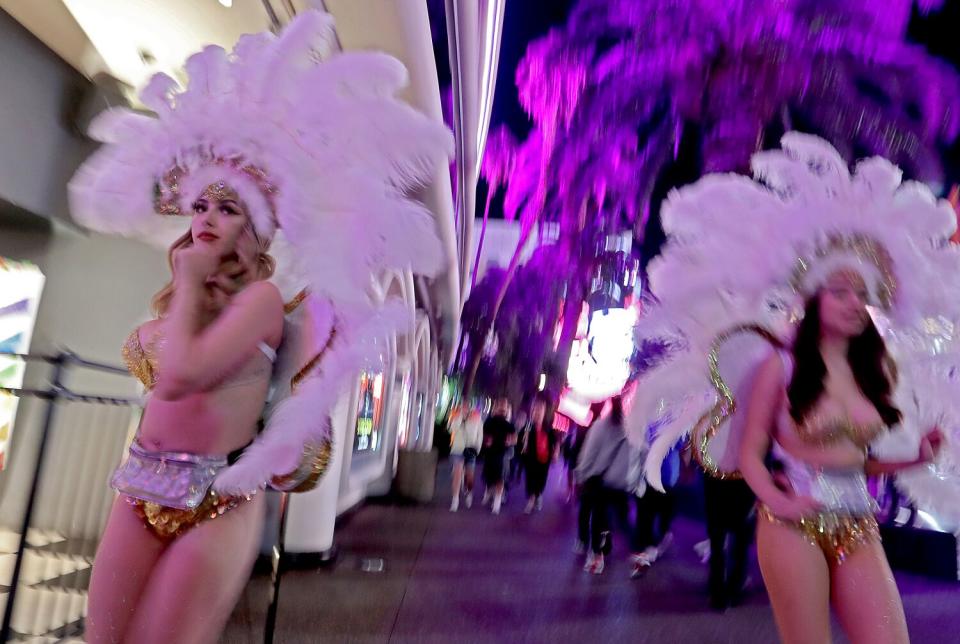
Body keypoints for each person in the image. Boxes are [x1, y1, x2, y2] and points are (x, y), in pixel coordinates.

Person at [70, 10, 451, 642]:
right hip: (137, 487)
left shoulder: (262, 302)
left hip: (213, 505)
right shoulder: (183, 300)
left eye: (227, 206)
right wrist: (185, 291)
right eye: (199, 205)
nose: (207, 219)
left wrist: (190, 282)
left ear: (257, 225)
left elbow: (179, 378)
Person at [628, 134, 957, 642]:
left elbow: (857, 460)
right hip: (792, 526)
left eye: (862, 295)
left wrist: (917, 457)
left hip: (860, 526)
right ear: (815, 297)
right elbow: (752, 455)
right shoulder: (778, 367)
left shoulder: (874, 371)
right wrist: (777, 503)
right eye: (840, 291)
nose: (853, 303)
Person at [574, 395, 631, 573]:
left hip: (601, 483)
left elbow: (588, 456)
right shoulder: (631, 430)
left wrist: (581, 475)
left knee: (597, 519)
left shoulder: (600, 426)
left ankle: (597, 558)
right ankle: (607, 542)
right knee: (611, 519)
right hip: (621, 485)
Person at [522, 394, 558, 514]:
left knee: (541, 480)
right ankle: (531, 500)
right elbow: (520, 440)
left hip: (544, 459)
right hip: (531, 457)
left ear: (544, 412)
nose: (537, 412)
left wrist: (555, 453)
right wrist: (524, 442)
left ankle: (538, 495)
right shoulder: (528, 427)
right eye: (534, 410)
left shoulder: (548, 428)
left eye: (540, 410)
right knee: (530, 478)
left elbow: (555, 442)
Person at [482, 398, 516, 514]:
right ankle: (489, 491)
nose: (502, 408)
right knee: (489, 476)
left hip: (501, 454)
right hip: (489, 454)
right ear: (495, 408)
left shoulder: (509, 424)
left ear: (507, 409)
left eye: (504, 406)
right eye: (499, 405)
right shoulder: (489, 421)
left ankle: (497, 501)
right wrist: (487, 441)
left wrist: (510, 442)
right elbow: (484, 435)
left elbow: (514, 438)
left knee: (500, 477)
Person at [450, 406, 483, 511]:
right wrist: (459, 417)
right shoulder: (455, 416)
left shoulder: (477, 418)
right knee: (457, 473)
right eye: (462, 408)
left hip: (470, 449)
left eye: (466, 408)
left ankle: (469, 492)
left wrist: (477, 448)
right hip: (458, 448)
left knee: (469, 475)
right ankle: (455, 500)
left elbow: (480, 434)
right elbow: (451, 429)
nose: (464, 409)